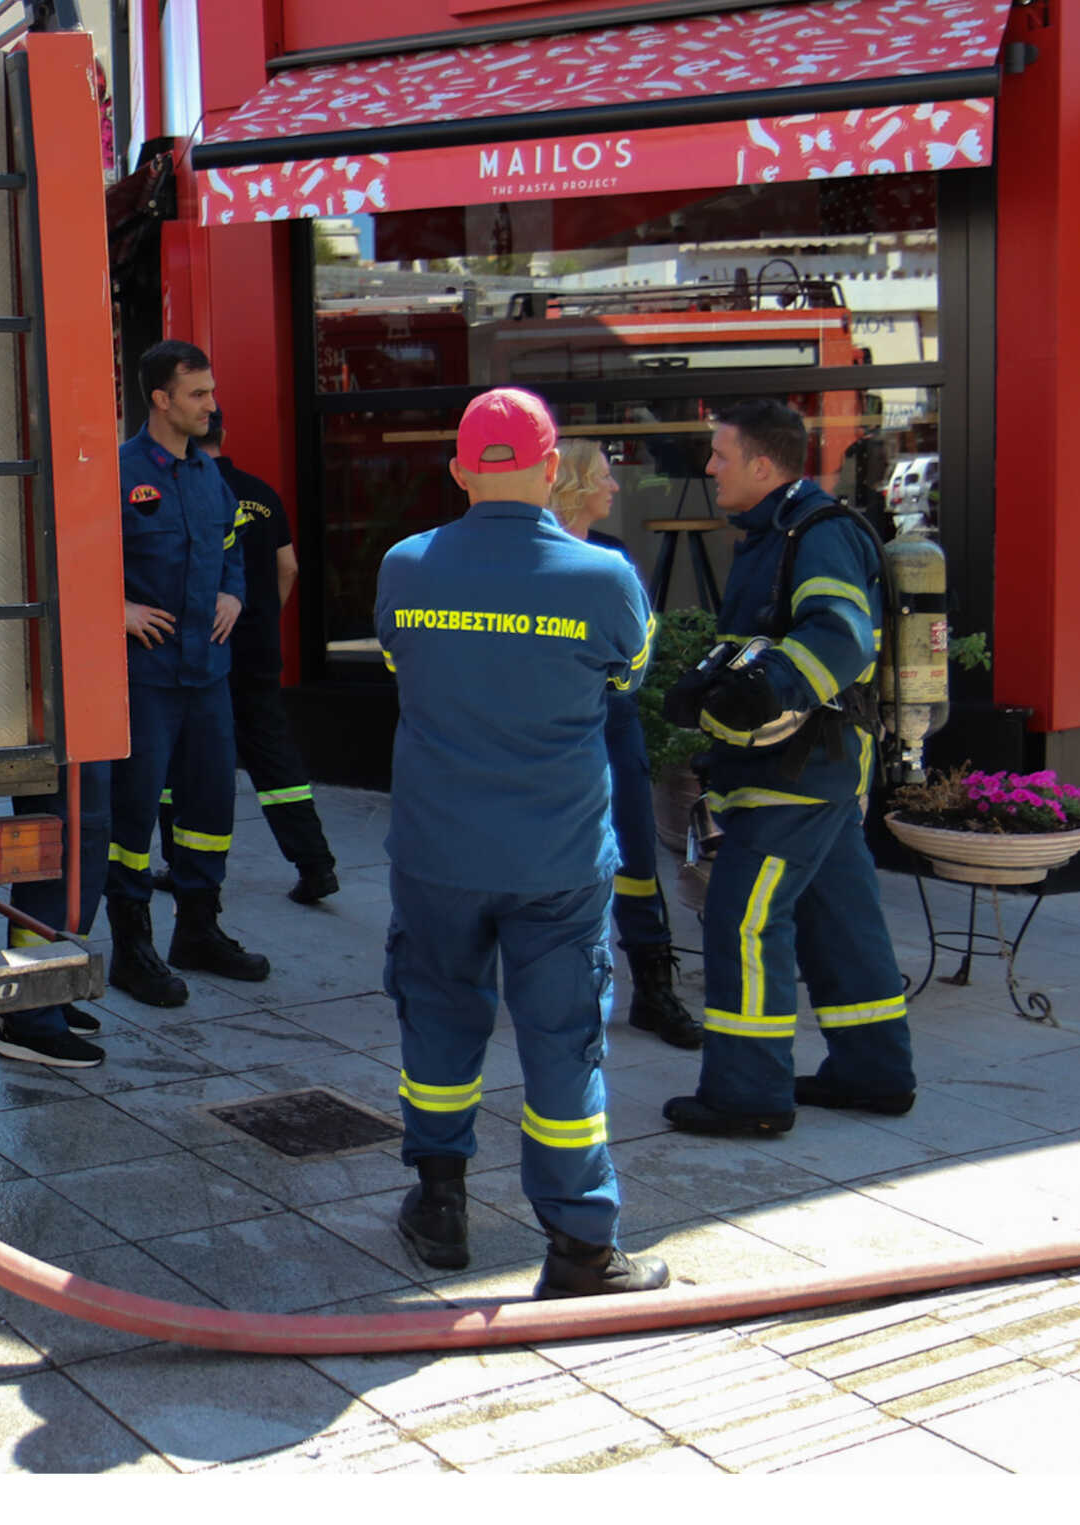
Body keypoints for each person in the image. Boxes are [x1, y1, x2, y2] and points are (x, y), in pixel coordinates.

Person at [375, 389, 669, 1300]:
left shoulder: (406, 568)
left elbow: (398, 662)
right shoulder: (605, 578)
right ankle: (581, 1246)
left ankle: (440, 1204)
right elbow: (630, 672)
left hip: (437, 853)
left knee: (438, 1019)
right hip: (556, 860)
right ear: (552, 470)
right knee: (562, 1043)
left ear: (460, 471)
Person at [660, 399, 917, 1136]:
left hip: (796, 771)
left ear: (763, 465)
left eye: (720, 454)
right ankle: (875, 1071)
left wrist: (768, 688)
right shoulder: (779, 530)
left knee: (743, 918)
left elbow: (840, 635)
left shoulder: (816, 533)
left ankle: (749, 1094)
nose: (710, 467)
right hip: (816, 770)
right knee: (841, 918)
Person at [104, 340, 271, 1007]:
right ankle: (131, 948)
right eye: (197, 394)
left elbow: (231, 547)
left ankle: (198, 930)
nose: (211, 404)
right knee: (134, 814)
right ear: (161, 400)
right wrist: (114, 608)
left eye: (211, 391)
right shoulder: (117, 473)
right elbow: (78, 555)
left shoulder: (209, 474)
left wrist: (235, 592)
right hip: (146, 680)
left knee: (208, 809)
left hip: (208, 676)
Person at [550, 442, 701, 1050]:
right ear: (576, 486)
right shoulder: (538, 557)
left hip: (614, 724)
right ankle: (564, 988)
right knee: (555, 863)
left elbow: (637, 648)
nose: (615, 489)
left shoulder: (612, 556)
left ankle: (653, 988)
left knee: (635, 857)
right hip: (556, 732)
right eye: (605, 478)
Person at [157, 413, 341, 905]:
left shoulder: (182, 492)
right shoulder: (262, 494)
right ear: (225, 434)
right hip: (257, 649)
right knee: (276, 760)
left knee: (179, 764)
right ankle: (315, 864)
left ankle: (181, 865)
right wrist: (261, 619)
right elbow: (289, 566)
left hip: (199, 652)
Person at [0, 762, 111, 1069]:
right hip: (64, 730)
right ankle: (31, 1017)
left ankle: (48, 995)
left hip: (87, 730)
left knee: (82, 846)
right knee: (61, 845)